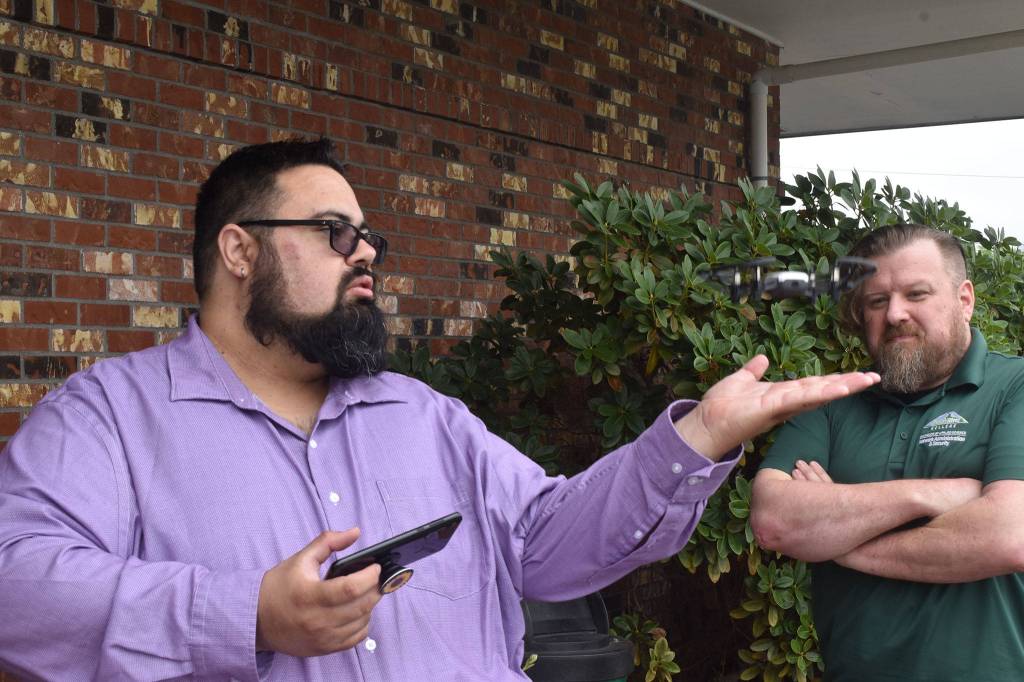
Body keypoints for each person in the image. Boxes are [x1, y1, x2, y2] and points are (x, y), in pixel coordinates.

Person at [0, 138, 878, 681]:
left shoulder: (420, 413)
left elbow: (546, 541)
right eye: (336, 232)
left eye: (369, 235)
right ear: (238, 249)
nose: (368, 251)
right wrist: (248, 615)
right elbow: (17, 591)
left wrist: (698, 438)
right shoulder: (110, 418)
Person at [751, 223, 1024, 682]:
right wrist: (934, 496)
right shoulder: (833, 403)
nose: (895, 313)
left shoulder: (1013, 387)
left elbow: (1009, 535)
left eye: (916, 294)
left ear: (965, 300)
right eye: (877, 301)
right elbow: (775, 520)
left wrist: (839, 543)